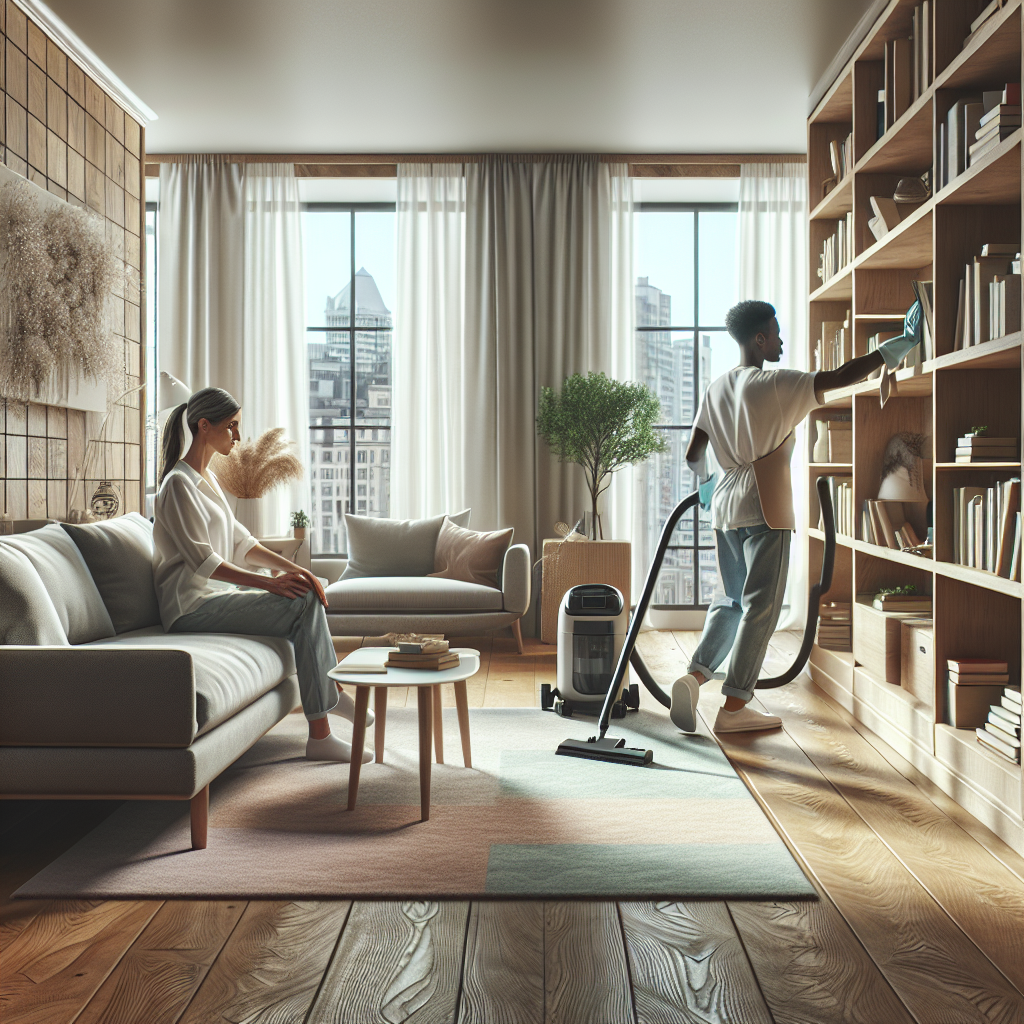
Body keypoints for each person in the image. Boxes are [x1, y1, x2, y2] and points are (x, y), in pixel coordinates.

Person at [670, 299, 919, 734]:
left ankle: (694, 677)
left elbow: (694, 455)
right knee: (760, 608)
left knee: (730, 600)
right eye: (775, 332)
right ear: (759, 338)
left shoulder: (717, 387)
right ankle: (733, 708)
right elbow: (842, 376)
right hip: (767, 506)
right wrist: (899, 345)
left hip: (724, 509)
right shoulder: (777, 385)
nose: (781, 340)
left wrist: (708, 484)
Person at [153, 387, 372, 763]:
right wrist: (271, 583)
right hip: (189, 607)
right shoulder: (178, 485)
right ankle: (321, 730)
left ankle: (328, 696)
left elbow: (242, 542)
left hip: (214, 599)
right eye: (231, 426)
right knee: (300, 601)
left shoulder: (208, 480)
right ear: (204, 426)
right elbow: (204, 562)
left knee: (303, 589)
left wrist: (297, 569)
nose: (237, 436)